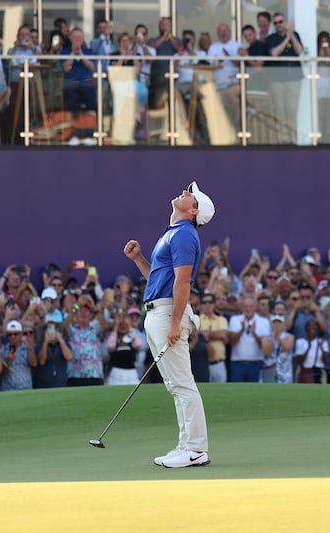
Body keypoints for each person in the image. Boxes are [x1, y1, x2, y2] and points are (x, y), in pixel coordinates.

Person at [123, 181, 214, 468]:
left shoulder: (185, 235)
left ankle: (196, 449)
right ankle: (186, 445)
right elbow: (160, 279)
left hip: (167, 315)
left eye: (191, 194)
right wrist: (138, 259)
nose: (185, 192)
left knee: (182, 383)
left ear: (194, 210)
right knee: (175, 385)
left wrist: (175, 322)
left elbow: (183, 282)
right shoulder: (174, 233)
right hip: (157, 312)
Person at [266, 13, 304, 143]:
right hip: (277, 80)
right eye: (275, 23)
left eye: (280, 22)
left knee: (292, 109)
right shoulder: (271, 38)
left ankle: (293, 138)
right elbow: (274, 54)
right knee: (280, 109)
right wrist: (287, 39)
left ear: (285, 22)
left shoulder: (295, 35)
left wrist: (291, 36)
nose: (278, 25)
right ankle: (282, 139)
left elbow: (299, 51)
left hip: (294, 78)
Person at [228, 296, 273, 382]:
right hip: (237, 363)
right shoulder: (235, 319)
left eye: (251, 306)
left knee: (255, 392)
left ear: (255, 307)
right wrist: (241, 330)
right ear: (242, 307)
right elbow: (232, 342)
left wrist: (254, 334)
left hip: (256, 363)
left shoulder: (264, 322)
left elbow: (265, 347)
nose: (248, 309)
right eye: (246, 306)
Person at [60, 28, 97, 113]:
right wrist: (73, 53)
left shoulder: (88, 51)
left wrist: (81, 54)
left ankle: (91, 123)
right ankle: (71, 122)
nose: (77, 39)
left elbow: (91, 67)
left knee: (92, 102)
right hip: (71, 84)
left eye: (79, 37)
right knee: (70, 102)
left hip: (86, 84)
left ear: (83, 39)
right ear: (70, 38)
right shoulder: (65, 52)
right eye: (75, 37)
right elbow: (67, 68)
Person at [105, 309, 144, 385]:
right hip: (116, 373)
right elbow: (110, 347)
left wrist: (129, 327)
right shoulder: (115, 339)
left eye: (124, 325)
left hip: (131, 373)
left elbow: (138, 345)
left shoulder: (132, 338)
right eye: (120, 325)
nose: (122, 327)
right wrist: (116, 327)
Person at [34, 313, 73, 388]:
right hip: (43, 384)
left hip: (60, 383)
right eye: (48, 328)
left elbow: (69, 357)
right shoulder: (40, 345)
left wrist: (60, 340)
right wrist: (46, 342)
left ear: (57, 329)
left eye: (52, 328)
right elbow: (41, 361)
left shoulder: (64, 344)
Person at [198, 293, 229, 382]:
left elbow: (224, 335)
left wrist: (204, 334)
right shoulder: (196, 320)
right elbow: (195, 335)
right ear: (201, 305)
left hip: (219, 364)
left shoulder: (222, 319)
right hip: (202, 364)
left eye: (210, 302)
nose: (207, 305)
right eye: (204, 302)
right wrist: (216, 335)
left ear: (214, 304)